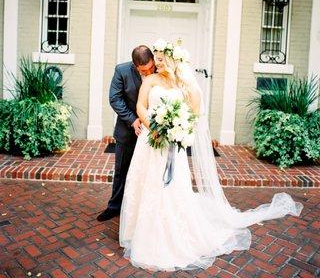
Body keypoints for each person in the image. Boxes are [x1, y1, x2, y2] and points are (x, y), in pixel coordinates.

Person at [119, 38, 303, 271]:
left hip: (171, 144)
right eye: (157, 61)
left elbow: (193, 114)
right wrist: (153, 127)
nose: (158, 65)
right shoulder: (151, 80)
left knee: (172, 189)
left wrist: (178, 129)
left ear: (173, 62)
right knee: (146, 184)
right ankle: (140, 232)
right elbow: (141, 107)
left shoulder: (184, 86)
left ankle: (174, 234)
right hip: (150, 142)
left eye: (162, 61)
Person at [97, 45, 155, 222]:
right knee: (121, 170)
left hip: (153, 133)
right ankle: (114, 206)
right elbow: (115, 98)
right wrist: (133, 120)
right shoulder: (121, 70)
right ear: (135, 65)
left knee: (149, 172)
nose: (148, 72)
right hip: (127, 130)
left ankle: (145, 209)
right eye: (144, 70)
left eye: (150, 67)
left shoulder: (160, 70)